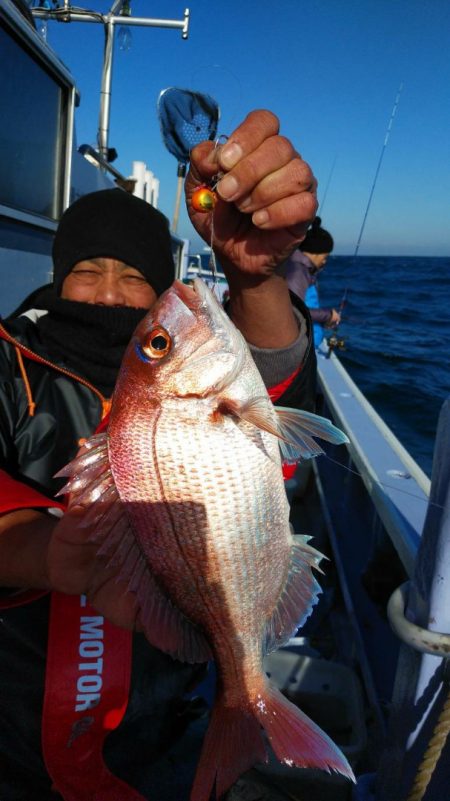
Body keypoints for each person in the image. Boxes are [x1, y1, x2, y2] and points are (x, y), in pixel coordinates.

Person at [0, 109, 318, 801]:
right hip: (11, 734)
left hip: (165, 730)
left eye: (134, 277)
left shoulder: (209, 382)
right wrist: (44, 552)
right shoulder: (8, 361)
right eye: (87, 270)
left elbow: (278, 400)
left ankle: (238, 704)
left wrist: (256, 279)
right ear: (56, 278)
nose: (109, 293)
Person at [284, 215, 340, 348]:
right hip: (300, 347)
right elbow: (294, 310)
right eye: (325, 257)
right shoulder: (298, 272)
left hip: (307, 344)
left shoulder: (303, 269)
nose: (324, 261)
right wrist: (328, 316)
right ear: (315, 253)